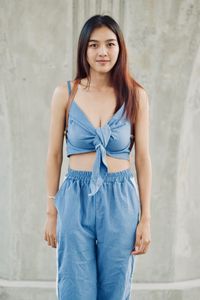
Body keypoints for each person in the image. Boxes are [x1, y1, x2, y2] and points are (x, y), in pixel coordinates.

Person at [44, 14, 152, 300]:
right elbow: (54, 155)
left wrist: (146, 218)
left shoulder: (136, 95)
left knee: (115, 287)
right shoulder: (65, 94)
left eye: (109, 44)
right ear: (84, 50)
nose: (102, 52)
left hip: (120, 198)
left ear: (120, 48)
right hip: (75, 196)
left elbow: (142, 159)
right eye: (93, 45)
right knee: (73, 285)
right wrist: (51, 211)